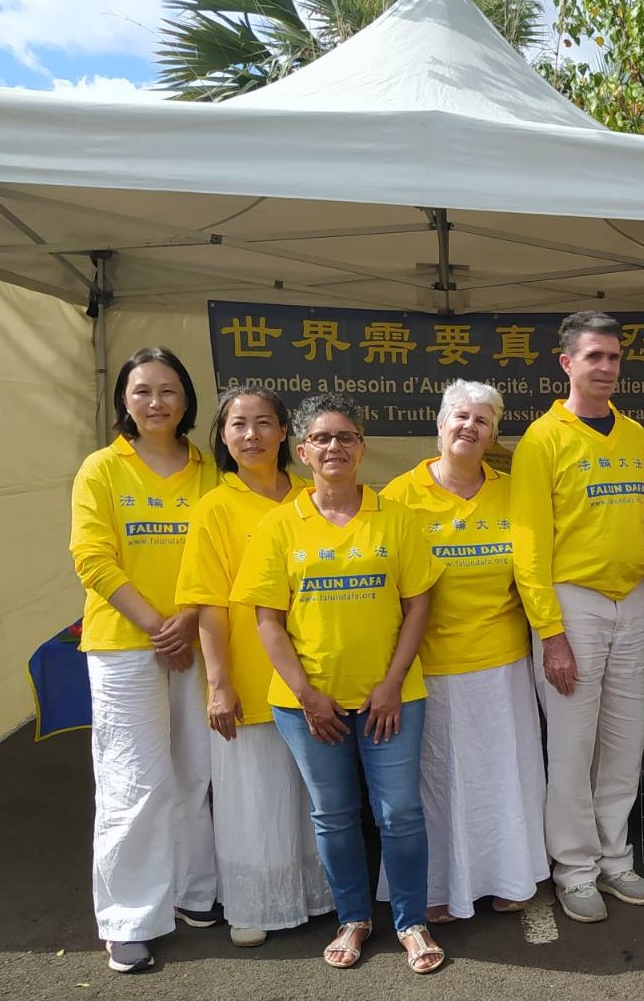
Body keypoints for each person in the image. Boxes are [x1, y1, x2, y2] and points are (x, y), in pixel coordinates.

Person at [231, 393, 446, 973]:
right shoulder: (279, 527)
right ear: (301, 452)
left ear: (362, 448)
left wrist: (392, 683)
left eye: (345, 437)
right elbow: (267, 622)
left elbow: (418, 605)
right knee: (334, 814)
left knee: (399, 811)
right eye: (321, 439)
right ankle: (353, 917)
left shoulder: (397, 519)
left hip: (391, 697)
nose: (333, 447)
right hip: (307, 704)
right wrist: (307, 696)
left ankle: (411, 921)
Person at [69, 346, 219, 974]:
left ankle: (192, 891)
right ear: (123, 402)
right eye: (142, 391)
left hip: (195, 638)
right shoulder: (102, 469)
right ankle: (129, 918)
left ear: (186, 400)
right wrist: (161, 626)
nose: (155, 403)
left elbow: (222, 551)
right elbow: (93, 558)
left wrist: (188, 620)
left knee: (195, 771)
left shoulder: (209, 468)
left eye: (167, 391)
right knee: (134, 779)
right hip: (126, 645)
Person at [377, 379, 548, 923]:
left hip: (503, 662)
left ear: (494, 433)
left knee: (505, 777)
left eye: (482, 421)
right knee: (439, 783)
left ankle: (511, 876)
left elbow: (534, 570)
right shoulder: (399, 497)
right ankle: (436, 887)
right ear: (440, 424)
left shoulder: (513, 489)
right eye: (460, 417)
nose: (469, 427)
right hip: (433, 667)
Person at [511, 311, 644, 923]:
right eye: (593, 356)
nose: (605, 367)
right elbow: (529, 547)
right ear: (566, 363)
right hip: (573, 604)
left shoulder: (636, 437)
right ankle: (574, 869)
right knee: (572, 748)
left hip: (633, 598)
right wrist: (551, 634)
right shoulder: (542, 439)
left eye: (614, 357)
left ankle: (615, 858)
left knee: (624, 741)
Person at [176, 389, 333, 947]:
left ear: (286, 432)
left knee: (309, 793)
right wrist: (218, 685)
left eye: (264, 423)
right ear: (222, 436)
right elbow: (208, 606)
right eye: (238, 425)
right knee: (252, 798)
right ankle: (253, 904)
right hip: (246, 675)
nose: (252, 435)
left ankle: (317, 895)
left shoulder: (313, 497)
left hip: (315, 675)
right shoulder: (215, 509)